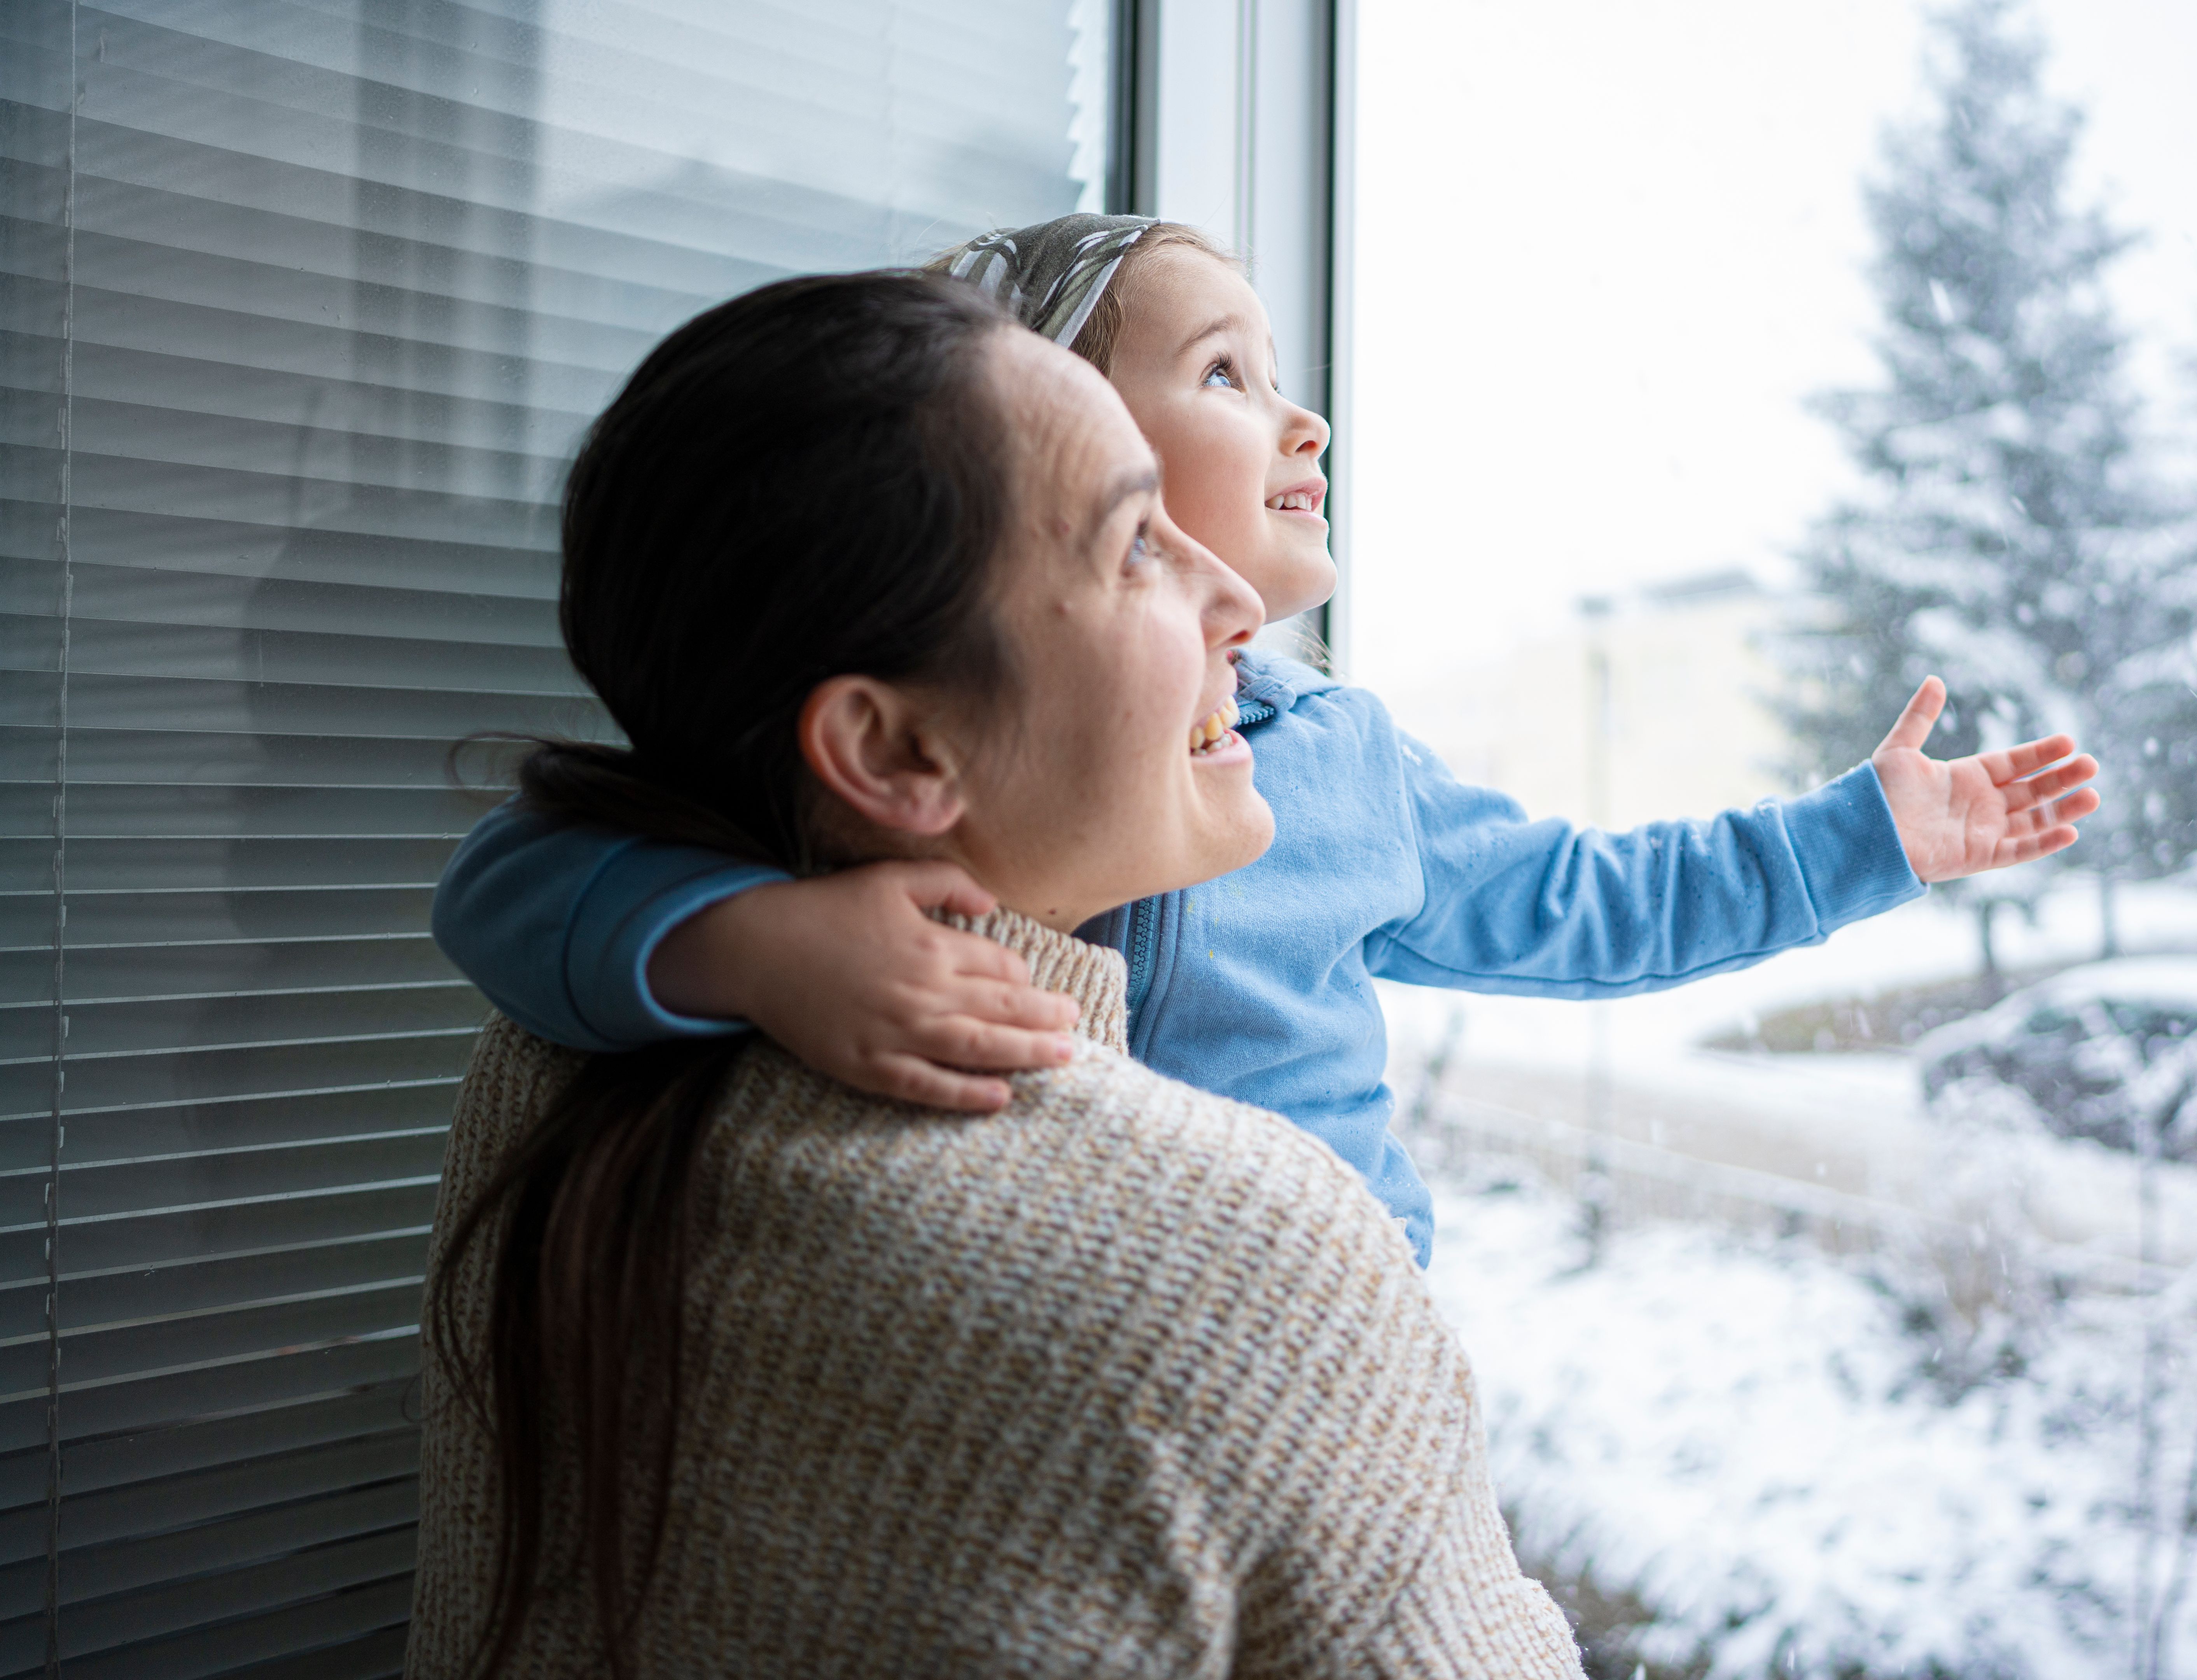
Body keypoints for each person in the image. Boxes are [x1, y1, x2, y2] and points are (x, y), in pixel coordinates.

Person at [431, 216, 2101, 1268]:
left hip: (1341, 1320)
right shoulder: (897, 797)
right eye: (1227, 375)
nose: (1306, 420)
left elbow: (1590, 905)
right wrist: (755, 944)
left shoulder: (1337, 760)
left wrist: (1862, 839)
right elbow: (521, 880)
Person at [406, 271, 1582, 1676]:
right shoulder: (1246, 1269)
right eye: (1139, 546)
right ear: (896, 751)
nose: (1231, 600)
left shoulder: (545, 1077)